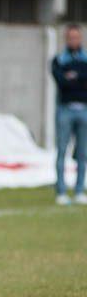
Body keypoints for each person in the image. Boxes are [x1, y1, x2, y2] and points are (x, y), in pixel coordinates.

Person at [51, 24, 87, 205]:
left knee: (82, 152)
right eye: (70, 37)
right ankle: (61, 191)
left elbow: (82, 82)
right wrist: (78, 79)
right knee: (62, 150)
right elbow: (62, 82)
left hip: (84, 110)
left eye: (77, 37)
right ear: (66, 39)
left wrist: (75, 77)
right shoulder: (59, 60)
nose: (74, 40)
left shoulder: (85, 59)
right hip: (65, 110)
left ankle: (80, 190)